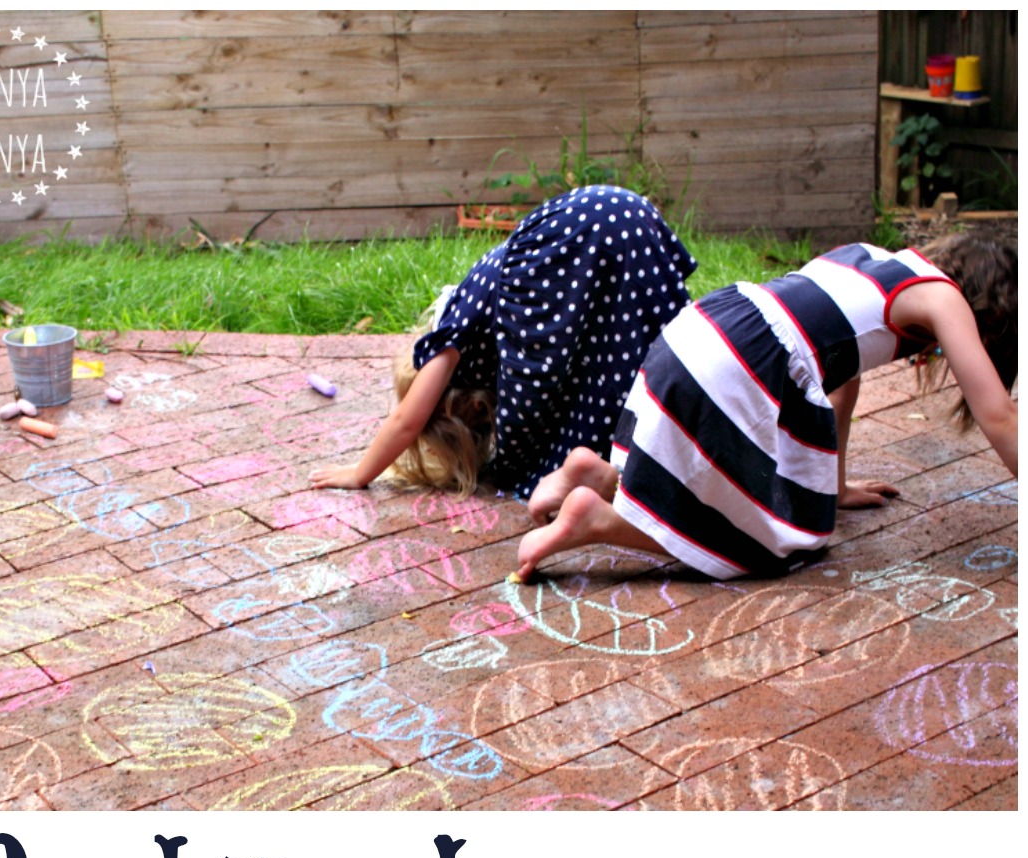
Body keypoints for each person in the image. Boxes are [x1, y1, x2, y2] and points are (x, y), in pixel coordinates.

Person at [515, 235, 1018, 580]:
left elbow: (842, 385)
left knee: (727, 490)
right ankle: (598, 521)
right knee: (773, 541)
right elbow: (1000, 417)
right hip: (740, 361)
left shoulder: (870, 256)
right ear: (992, 310)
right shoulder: (943, 298)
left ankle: (598, 476)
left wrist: (836, 489)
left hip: (704, 327)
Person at [312, 185, 696, 499]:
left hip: (583, 232)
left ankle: (641, 462)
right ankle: (676, 436)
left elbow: (406, 421)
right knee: (630, 343)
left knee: (614, 365)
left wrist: (361, 473)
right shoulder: (489, 305)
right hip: (625, 213)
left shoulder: (450, 336)